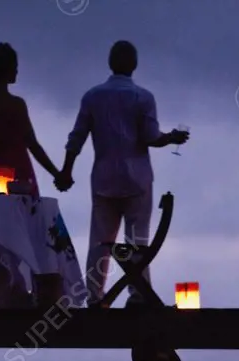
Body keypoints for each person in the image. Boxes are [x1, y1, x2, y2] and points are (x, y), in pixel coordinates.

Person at [57, 40, 189, 307]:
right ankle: (138, 296)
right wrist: (172, 137)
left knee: (100, 241)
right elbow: (151, 138)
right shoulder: (143, 97)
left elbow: (77, 138)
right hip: (137, 179)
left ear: (110, 63)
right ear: (135, 65)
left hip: (103, 178)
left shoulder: (92, 97)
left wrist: (66, 171)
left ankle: (95, 297)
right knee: (138, 240)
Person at [0, 43, 71, 197]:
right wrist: (57, 174)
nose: (17, 70)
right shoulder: (16, 105)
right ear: (7, 69)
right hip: (17, 170)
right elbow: (33, 145)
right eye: (14, 66)